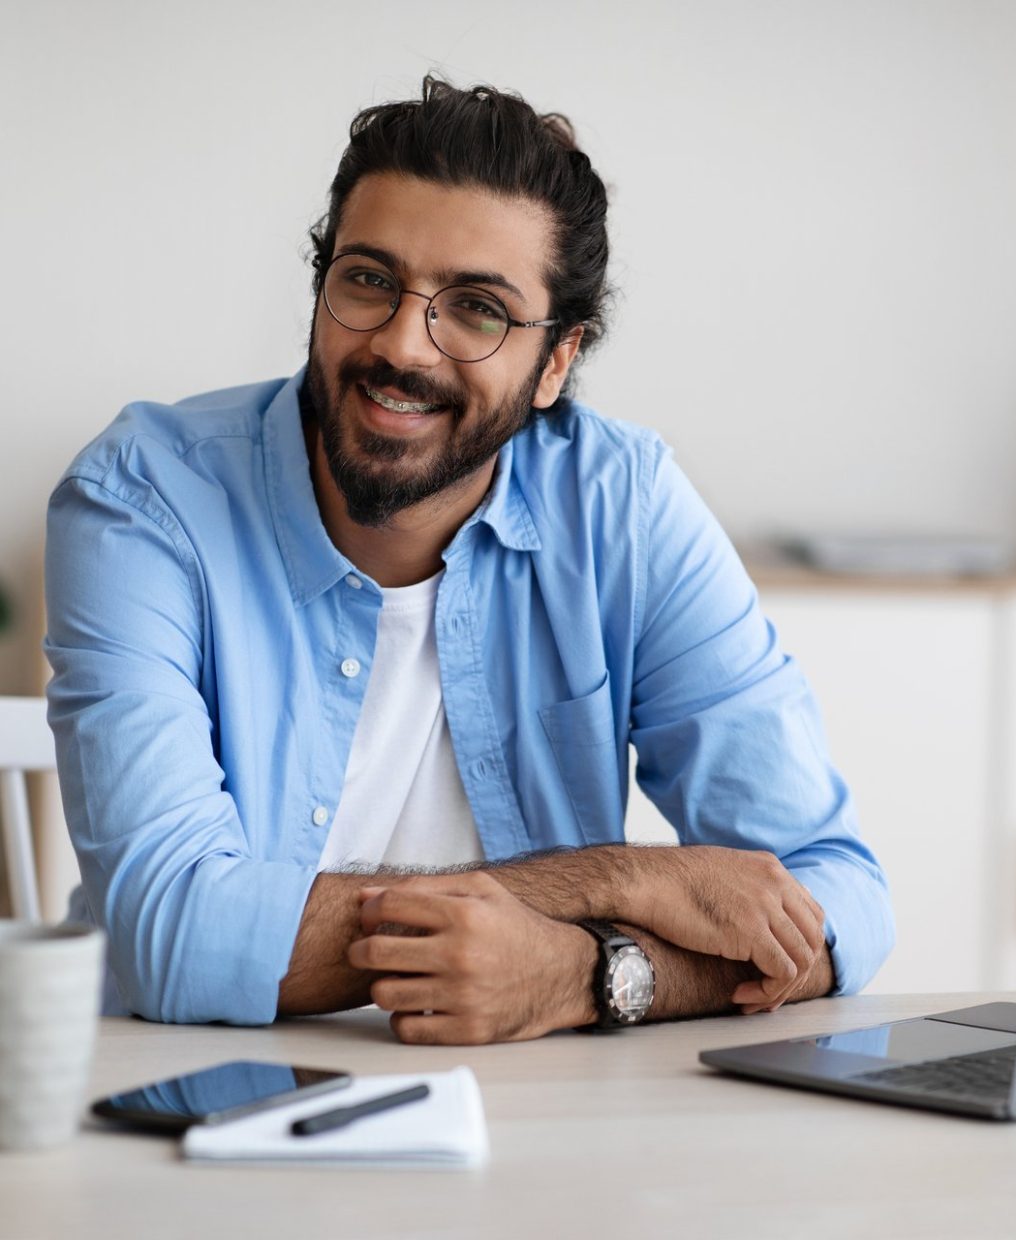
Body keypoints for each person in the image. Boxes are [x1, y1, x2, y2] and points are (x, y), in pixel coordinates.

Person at [44, 77, 893, 1044]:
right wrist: (619, 880)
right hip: (196, 1107)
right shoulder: (145, 498)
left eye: (478, 308)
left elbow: (838, 900)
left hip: (533, 1122)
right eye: (368, 279)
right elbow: (170, 933)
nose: (404, 345)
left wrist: (587, 977)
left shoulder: (624, 508)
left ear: (558, 363)